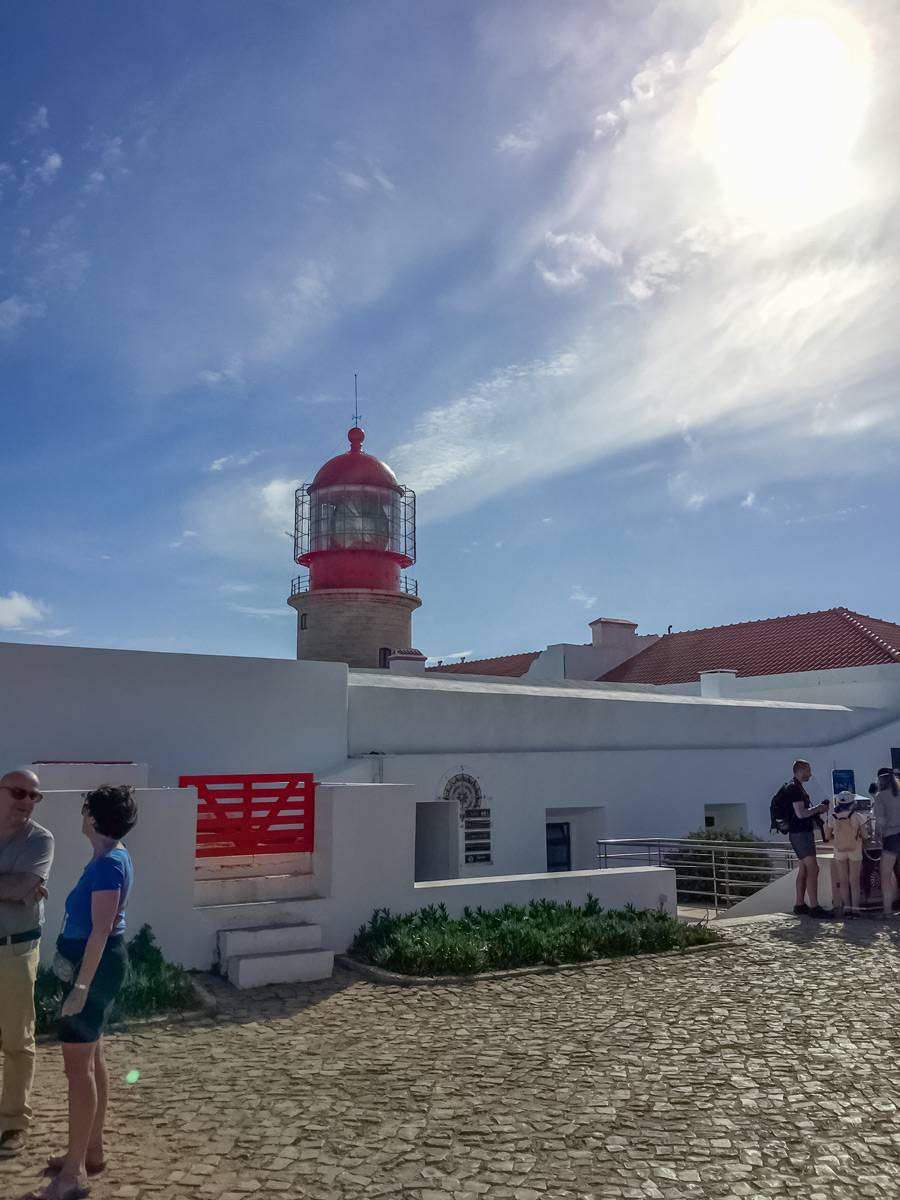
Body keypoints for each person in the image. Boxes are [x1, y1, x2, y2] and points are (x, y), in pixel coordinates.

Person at [29, 785, 136, 1200]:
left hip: (93, 968)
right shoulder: (110, 857)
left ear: (94, 816)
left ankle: (73, 1174)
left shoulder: (109, 863)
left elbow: (102, 929)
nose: (81, 813)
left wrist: (81, 988)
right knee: (93, 1058)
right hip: (93, 965)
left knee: (78, 1070)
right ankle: (90, 1153)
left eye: (84, 808)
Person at [0, 768, 53, 1159]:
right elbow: (17, 888)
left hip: (14, 950)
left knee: (18, 1040)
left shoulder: (40, 839)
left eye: (35, 796)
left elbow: (25, 885)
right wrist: (14, 887)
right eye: (19, 792)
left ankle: (14, 1121)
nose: (27, 801)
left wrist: (20, 887)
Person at [787, 759, 831, 917]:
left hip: (799, 834)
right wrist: (818, 808)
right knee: (814, 868)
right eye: (808, 770)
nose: (810, 774)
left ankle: (800, 904)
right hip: (801, 834)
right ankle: (814, 907)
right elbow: (801, 813)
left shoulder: (795, 787)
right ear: (800, 770)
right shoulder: (795, 789)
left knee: (804, 869)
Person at [827, 791, 866, 918]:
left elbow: (827, 836)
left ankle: (846, 908)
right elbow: (865, 835)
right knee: (854, 880)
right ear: (852, 803)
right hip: (855, 848)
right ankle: (856, 909)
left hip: (839, 850)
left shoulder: (832, 816)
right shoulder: (857, 816)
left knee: (843, 880)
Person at [873, 768, 900, 919]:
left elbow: (880, 822)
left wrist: (877, 834)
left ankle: (887, 911)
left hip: (891, 838)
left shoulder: (880, 796)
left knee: (885, 875)